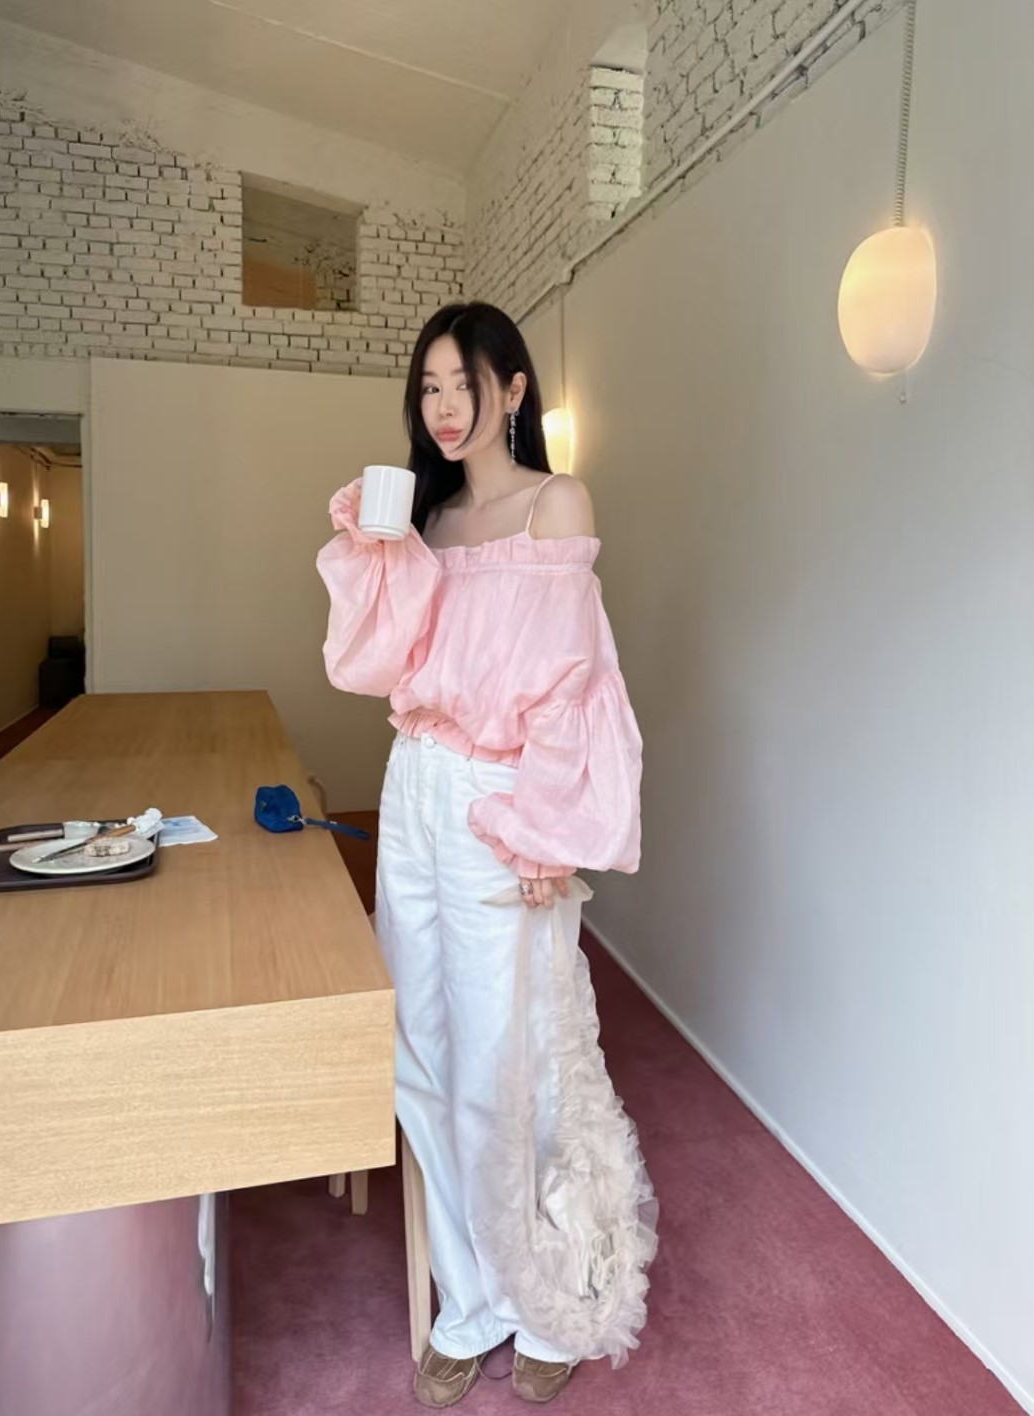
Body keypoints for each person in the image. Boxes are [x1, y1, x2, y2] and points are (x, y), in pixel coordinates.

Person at [317, 302, 654, 1408]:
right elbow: (369, 665)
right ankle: (468, 1300)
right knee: (421, 1051)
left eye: (463, 382)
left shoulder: (557, 502)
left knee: (517, 1062)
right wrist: (374, 552)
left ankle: (547, 1297)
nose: (444, 405)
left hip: (498, 801)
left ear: (513, 389)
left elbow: (572, 686)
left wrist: (548, 830)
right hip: (412, 785)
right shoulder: (428, 519)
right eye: (428, 387)